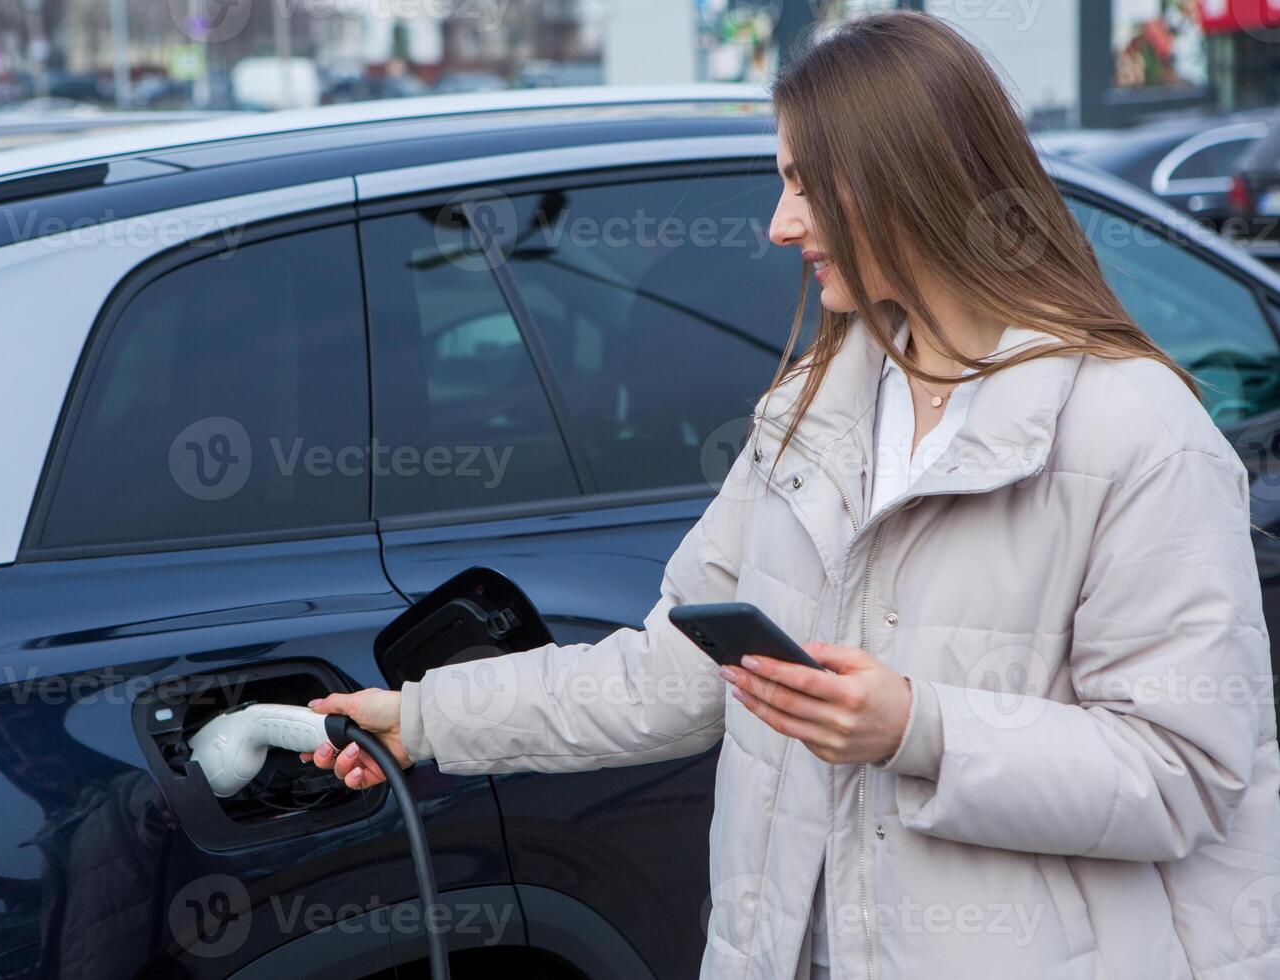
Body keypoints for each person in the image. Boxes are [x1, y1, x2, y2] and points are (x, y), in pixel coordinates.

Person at [302, 11, 1280, 978]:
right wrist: (424, 718)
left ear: (915, 179)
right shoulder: (810, 412)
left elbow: (1184, 773)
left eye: (808, 184)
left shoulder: (1134, 429)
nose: (781, 224)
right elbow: (667, 674)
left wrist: (916, 727)